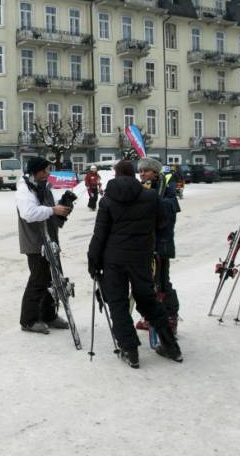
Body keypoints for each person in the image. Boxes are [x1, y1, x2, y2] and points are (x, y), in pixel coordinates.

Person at [88, 160, 182, 368]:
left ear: (116, 174)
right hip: (141, 256)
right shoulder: (150, 197)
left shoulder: (107, 199)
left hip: (114, 258)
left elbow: (99, 234)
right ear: (133, 175)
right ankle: (171, 346)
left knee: (118, 303)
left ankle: (130, 350)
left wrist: (93, 261)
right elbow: (162, 223)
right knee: (148, 300)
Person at [16, 157, 73, 334]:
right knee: (38, 280)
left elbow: (49, 210)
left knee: (53, 280)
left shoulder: (44, 186)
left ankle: (49, 315)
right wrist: (53, 210)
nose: (48, 173)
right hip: (35, 242)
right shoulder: (25, 190)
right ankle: (28, 320)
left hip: (50, 240)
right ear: (36, 171)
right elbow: (28, 213)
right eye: (45, 170)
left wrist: (61, 210)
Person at [135, 157, 180, 336]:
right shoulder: (141, 189)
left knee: (161, 283)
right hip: (143, 245)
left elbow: (169, 214)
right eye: (140, 171)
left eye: (146, 171)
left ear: (155, 172)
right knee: (145, 283)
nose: (142, 174)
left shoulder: (166, 189)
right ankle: (150, 316)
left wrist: (152, 200)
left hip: (161, 244)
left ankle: (170, 316)